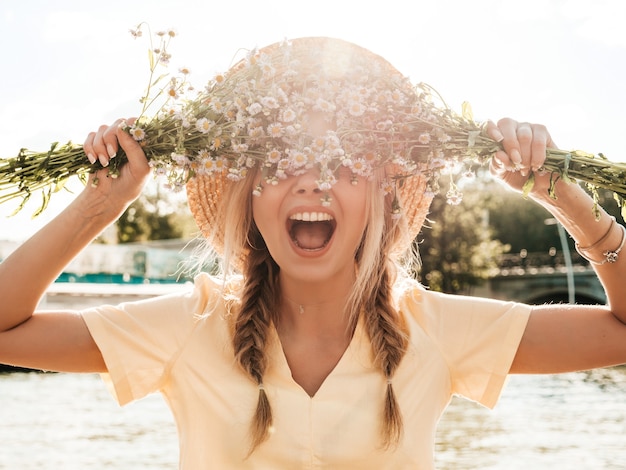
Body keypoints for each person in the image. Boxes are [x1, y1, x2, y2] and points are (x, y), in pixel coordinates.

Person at [1, 37, 626, 469]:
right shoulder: (188, 326)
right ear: (249, 198)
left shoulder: (434, 329)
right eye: (280, 161)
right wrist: (99, 206)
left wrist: (562, 197)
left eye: (344, 163)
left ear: (381, 195)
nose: (312, 181)